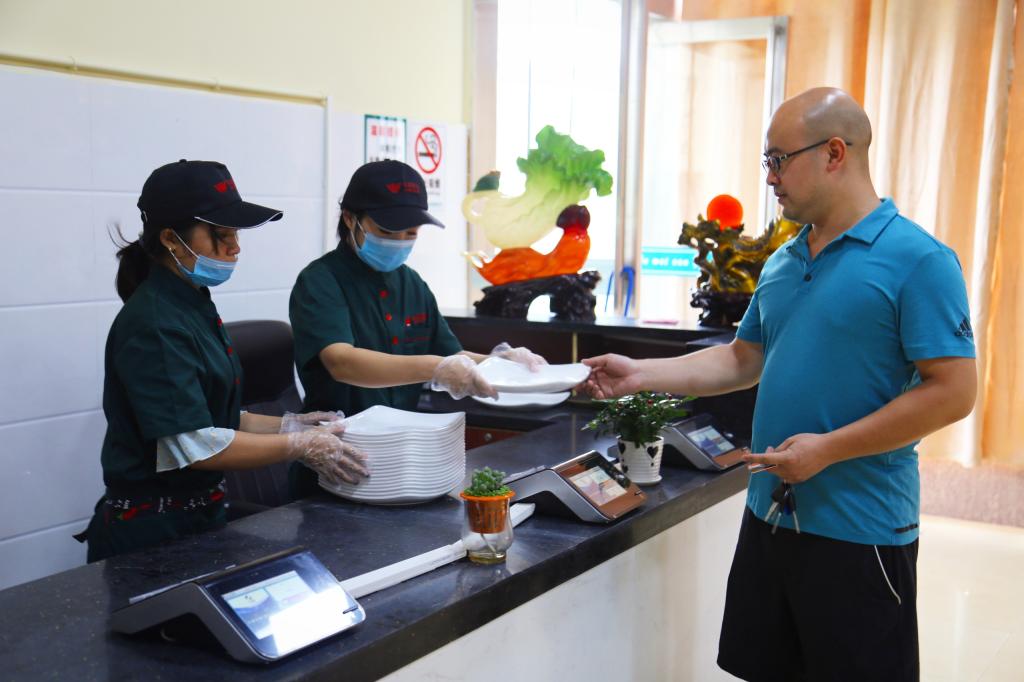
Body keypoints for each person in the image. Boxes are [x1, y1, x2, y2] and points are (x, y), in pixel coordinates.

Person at [581, 88, 977, 681]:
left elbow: (954, 391)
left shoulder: (919, 260)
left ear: (835, 153)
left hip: (860, 529)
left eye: (779, 160)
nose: (769, 177)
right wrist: (640, 375)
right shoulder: (785, 260)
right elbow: (743, 359)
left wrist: (828, 449)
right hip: (769, 517)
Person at [79, 160, 369, 562]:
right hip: (152, 535)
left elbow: (219, 416)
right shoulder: (154, 323)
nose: (235, 247)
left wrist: (292, 423)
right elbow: (196, 444)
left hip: (202, 520)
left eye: (236, 233)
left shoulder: (194, 303)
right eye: (221, 234)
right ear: (170, 238)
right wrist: (298, 446)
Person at [288, 160, 545, 497]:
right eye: (387, 231)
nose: (399, 242)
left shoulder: (411, 284)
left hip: (403, 460)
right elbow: (342, 362)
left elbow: (451, 355)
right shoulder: (320, 281)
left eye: (410, 233)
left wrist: (501, 361)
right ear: (350, 219)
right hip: (336, 460)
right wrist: (433, 367)